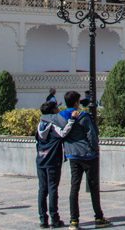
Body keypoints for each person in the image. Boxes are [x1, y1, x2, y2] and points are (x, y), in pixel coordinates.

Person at [61, 91, 109, 228]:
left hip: (72, 154)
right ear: (76, 102)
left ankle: (73, 220)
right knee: (94, 187)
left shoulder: (62, 117)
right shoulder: (83, 116)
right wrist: (95, 149)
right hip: (88, 155)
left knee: (74, 187)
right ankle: (99, 217)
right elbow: (91, 135)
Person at [36, 100, 76, 228]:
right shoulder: (52, 125)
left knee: (43, 189)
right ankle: (55, 219)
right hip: (53, 160)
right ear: (53, 111)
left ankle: (43, 219)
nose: (58, 110)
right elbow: (63, 133)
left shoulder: (40, 125)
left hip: (41, 160)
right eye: (56, 109)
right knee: (53, 188)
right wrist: (71, 121)